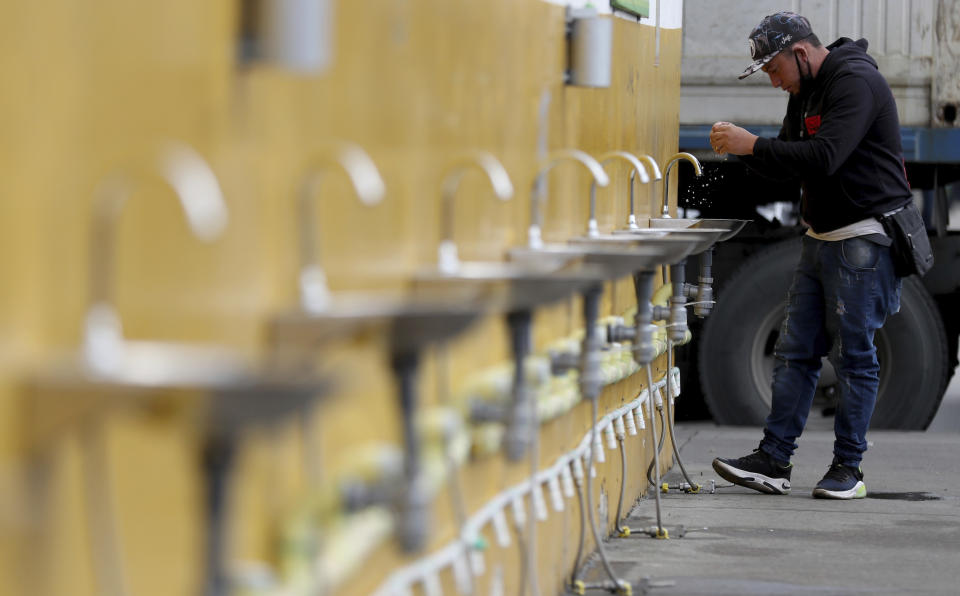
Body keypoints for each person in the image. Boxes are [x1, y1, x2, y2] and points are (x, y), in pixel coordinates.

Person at [708, 11, 911, 499]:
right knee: (795, 353)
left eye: (775, 70)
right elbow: (788, 161)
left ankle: (849, 470)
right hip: (822, 239)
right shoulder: (805, 92)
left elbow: (824, 158)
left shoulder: (855, 81)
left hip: (863, 239)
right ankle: (774, 460)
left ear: (800, 53)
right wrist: (741, 155)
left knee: (855, 357)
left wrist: (752, 144)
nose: (775, 83)